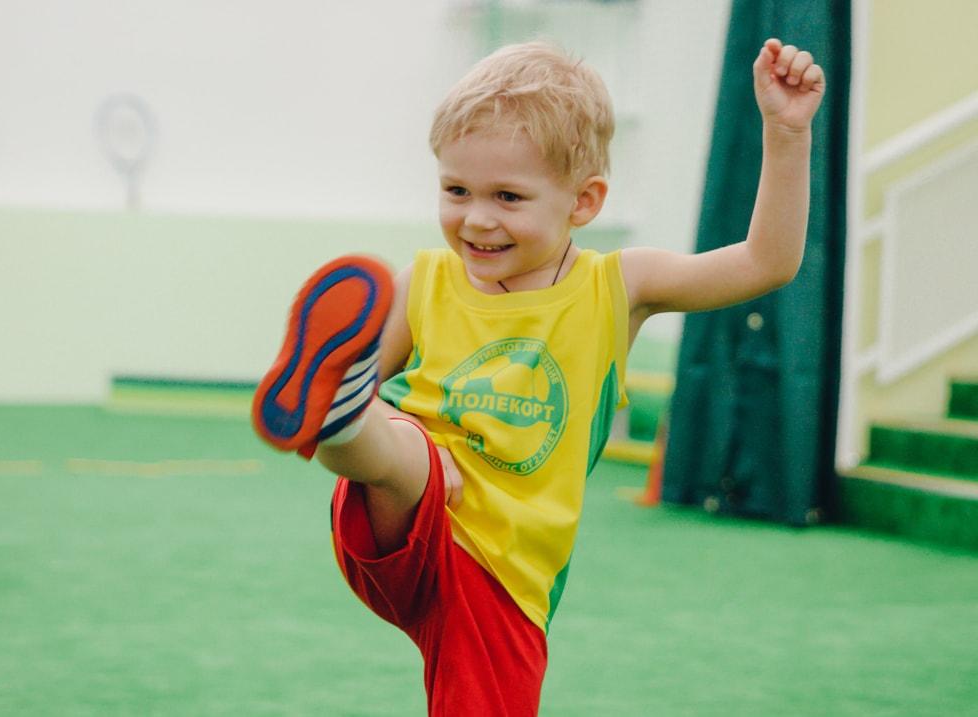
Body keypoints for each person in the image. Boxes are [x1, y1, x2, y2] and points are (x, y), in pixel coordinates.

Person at [251, 38, 825, 716]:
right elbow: (388, 404)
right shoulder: (424, 282)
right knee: (405, 454)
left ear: (584, 202)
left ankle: (347, 416)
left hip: (506, 576)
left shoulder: (618, 286)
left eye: (508, 196)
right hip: (405, 516)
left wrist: (786, 134)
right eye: (456, 190)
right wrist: (358, 404)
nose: (477, 218)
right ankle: (341, 412)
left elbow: (766, 263)